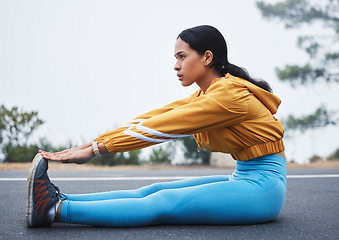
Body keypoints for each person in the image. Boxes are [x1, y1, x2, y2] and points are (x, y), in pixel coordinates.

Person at [26, 25, 286, 228]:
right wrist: (90, 144)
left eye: (182, 57)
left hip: (263, 189)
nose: (176, 65)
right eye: (175, 58)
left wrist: (98, 150)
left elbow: (164, 127)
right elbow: (151, 119)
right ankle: (60, 201)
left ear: (207, 57)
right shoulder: (205, 95)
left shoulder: (228, 96)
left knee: (162, 203)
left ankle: (54, 210)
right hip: (245, 177)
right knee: (153, 190)